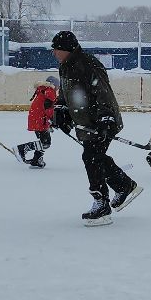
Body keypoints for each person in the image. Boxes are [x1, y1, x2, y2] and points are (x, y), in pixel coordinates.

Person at [50, 30, 140, 225]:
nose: (54, 53)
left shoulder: (88, 64)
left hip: (101, 121)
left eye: (56, 49)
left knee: (91, 157)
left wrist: (106, 118)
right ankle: (124, 186)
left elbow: (103, 91)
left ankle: (102, 204)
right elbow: (65, 91)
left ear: (66, 49)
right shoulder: (64, 66)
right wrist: (61, 109)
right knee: (96, 157)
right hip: (85, 123)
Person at [18, 75, 58, 168]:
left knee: (43, 141)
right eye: (57, 86)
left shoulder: (43, 90)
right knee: (45, 143)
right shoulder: (50, 91)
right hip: (40, 120)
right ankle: (22, 148)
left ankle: (36, 160)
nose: (58, 88)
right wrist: (53, 120)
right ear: (53, 85)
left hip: (37, 118)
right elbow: (48, 109)